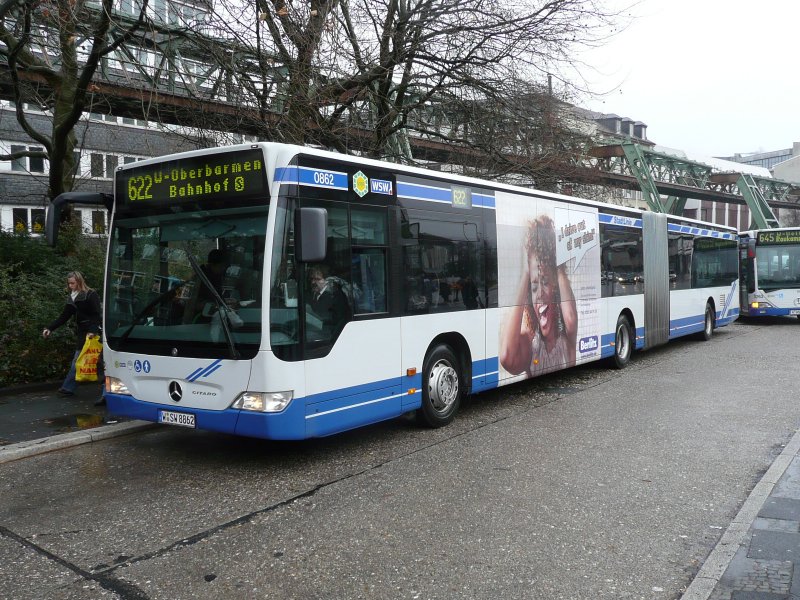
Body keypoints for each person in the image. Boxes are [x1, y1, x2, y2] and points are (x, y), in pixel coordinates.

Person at [499, 215, 577, 378]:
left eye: (545, 282)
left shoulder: (566, 340)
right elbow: (507, 357)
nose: (539, 293)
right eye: (534, 286)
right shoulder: (530, 344)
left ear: (556, 290)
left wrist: (559, 264)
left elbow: (570, 318)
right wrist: (526, 274)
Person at [42, 271, 103, 400]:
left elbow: (96, 314)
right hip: (83, 333)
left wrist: (93, 330)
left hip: (94, 333)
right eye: (69, 283)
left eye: (73, 283)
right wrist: (50, 328)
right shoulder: (72, 297)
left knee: (94, 361)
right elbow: (64, 316)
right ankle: (68, 388)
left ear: (79, 281)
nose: (70, 286)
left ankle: (68, 388)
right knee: (88, 361)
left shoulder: (90, 294)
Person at [308, 266, 350, 337]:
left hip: (330, 332)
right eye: (312, 279)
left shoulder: (334, 295)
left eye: (317, 279)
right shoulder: (315, 293)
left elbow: (328, 317)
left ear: (327, 281)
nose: (313, 282)